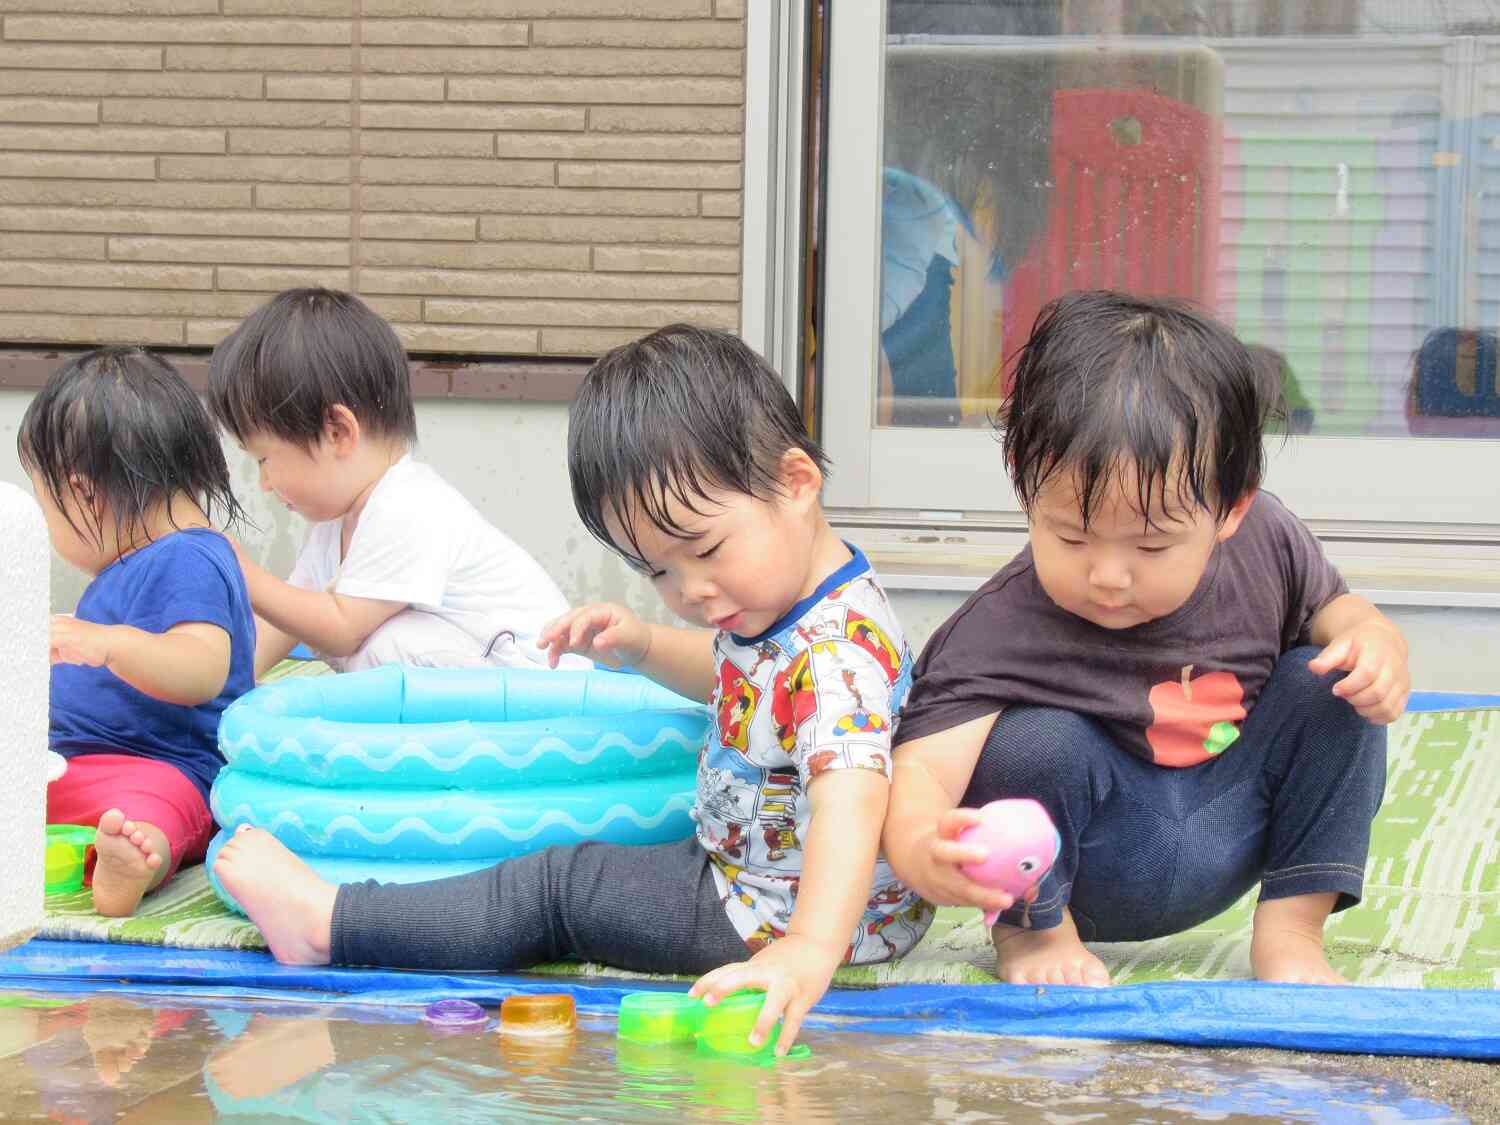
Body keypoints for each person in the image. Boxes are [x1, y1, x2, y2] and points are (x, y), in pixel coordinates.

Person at [213, 324, 931, 1054]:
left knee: (555, 887)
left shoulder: (834, 654)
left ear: (797, 482)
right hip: (778, 886)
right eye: (657, 571)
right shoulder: (801, 602)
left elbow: (851, 790)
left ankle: (328, 922)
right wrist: (645, 645)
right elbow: (737, 677)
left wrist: (806, 948)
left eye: (705, 549)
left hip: (768, 915)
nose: (691, 589)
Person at [882, 291, 1408, 988]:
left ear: (1231, 508)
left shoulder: (1267, 543)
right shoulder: (998, 629)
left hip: (1227, 815)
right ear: (1024, 486)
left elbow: (1336, 609)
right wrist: (921, 846)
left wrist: (1374, 637)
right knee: (1031, 740)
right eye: (1070, 534)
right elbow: (919, 771)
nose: (1107, 574)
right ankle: (1033, 939)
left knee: (1334, 685)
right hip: (1091, 862)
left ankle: (1291, 935)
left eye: (1153, 545)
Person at [206, 287, 582, 677]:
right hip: (485, 680)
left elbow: (339, 629)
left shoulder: (407, 506)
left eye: (265, 459)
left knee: (377, 648)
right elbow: (283, 621)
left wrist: (244, 572)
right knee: (367, 647)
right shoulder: (332, 529)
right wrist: (221, 688)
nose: (263, 483)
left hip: (539, 683)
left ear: (337, 432)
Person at [19, 348, 255, 917]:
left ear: (85, 494)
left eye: (46, 507)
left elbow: (201, 669)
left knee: (149, 815)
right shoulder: (130, 562)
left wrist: (108, 644)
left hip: (165, 769)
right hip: (74, 764)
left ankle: (129, 866)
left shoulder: (189, 558)